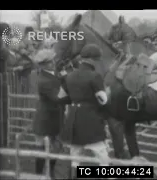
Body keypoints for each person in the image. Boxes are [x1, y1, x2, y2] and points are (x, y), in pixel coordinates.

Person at [62, 44, 110, 178]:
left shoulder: (69, 76)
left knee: (75, 157)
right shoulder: (95, 76)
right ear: (92, 60)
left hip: (73, 118)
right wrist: (108, 94)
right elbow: (103, 100)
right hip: (91, 119)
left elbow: (63, 97)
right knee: (102, 156)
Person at [32, 49, 71, 180]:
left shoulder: (49, 74)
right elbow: (58, 97)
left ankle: (50, 173)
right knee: (43, 150)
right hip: (46, 121)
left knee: (54, 149)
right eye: (51, 61)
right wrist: (66, 80)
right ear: (44, 64)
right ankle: (38, 175)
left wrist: (62, 71)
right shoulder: (44, 80)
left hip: (52, 118)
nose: (54, 62)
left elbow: (57, 80)